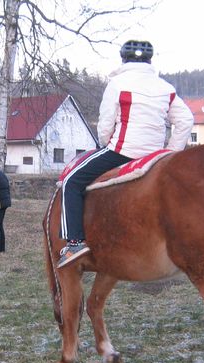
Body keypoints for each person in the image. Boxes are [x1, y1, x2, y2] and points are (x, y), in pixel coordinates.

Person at [57, 40, 194, 268]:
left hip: (122, 151)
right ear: (150, 61)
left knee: (71, 181)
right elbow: (186, 120)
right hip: (156, 156)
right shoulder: (166, 88)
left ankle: (75, 243)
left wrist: (105, 144)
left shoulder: (117, 84)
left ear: (123, 59)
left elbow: (105, 124)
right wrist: (171, 152)